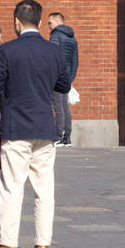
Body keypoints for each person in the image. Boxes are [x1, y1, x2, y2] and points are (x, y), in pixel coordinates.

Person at [0, 0, 70, 248]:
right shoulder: (53, 51)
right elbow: (64, 85)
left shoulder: (7, 51)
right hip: (45, 126)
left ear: (15, 22)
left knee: (11, 186)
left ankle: (7, 244)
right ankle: (43, 244)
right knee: (44, 189)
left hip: (16, 126)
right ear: (41, 22)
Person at [48, 11, 78, 147]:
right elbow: (75, 61)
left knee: (58, 106)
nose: (48, 26)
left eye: (50, 23)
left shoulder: (55, 36)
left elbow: (52, 57)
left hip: (56, 76)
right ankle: (67, 138)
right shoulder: (72, 38)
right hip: (67, 76)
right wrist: (70, 78)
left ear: (58, 22)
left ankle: (59, 136)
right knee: (65, 106)